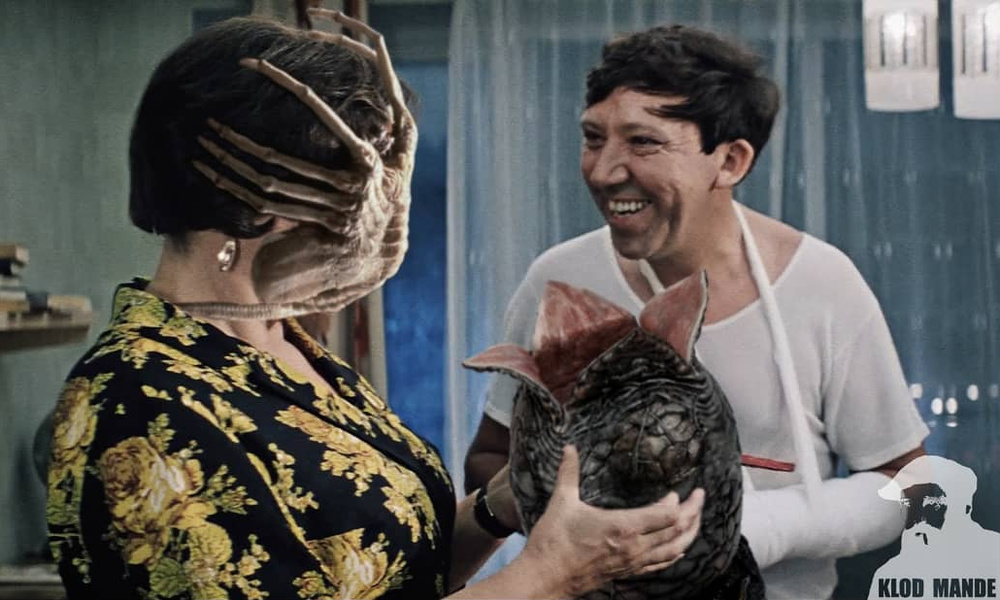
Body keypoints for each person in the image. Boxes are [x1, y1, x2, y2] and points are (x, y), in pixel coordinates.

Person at [45, 12, 705, 600]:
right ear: (257, 197)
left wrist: (501, 505)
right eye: (357, 183)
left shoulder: (286, 348)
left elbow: (388, 571)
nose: (385, 212)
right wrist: (551, 575)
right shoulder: (136, 402)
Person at [464, 23, 930, 600]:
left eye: (643, 142)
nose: (603, 171)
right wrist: (573, 513)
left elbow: (907, 482)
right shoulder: (560, 283)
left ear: (730, 160)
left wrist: (761, 526)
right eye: (593, 138)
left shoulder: (823, 284)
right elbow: (491, 458)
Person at [868, 455, 1000, 599]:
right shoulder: (890, 574)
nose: (920, 519)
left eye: (934, 505)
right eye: (908, 504)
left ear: (965, 509)